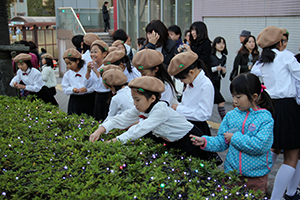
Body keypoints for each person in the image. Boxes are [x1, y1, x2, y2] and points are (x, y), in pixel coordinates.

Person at [89, 76, 218, 162]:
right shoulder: (142, 108)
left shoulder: (160, 109)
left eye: (137, 99)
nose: (134, 103)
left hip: (189, 140)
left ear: (152, 98)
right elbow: (122, 118)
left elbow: (139, 129)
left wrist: (114, 141)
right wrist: (100, 130)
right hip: (172, 141)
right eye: (133, 99)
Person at [190, 73, 274, 195]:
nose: (234, 101)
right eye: (233, 96)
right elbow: (221, 141)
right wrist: (205, 141)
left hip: (256, 177)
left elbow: (260, 145)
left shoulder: (265, 118)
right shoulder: (231, 116)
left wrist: (234, 137)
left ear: (254, 97)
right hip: (232, 175)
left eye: (238, 97)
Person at [250, 26, 300, 200]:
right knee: (292, 156)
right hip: (289, 107)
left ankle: (254, 180)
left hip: (272, 107)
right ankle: (278, 197)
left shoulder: (262, 61)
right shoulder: (286, 56)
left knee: (275, 146)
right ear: (280, 42)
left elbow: (253, 76)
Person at [168, 51, 222, 165]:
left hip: (198, 128)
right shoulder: (190, 83)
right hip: (187, 124)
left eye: (182, 79)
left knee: (198, 162)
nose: (182, 82)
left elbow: (204, 114)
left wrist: (179, 109)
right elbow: (188, 103)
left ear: (192, 72)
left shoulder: (205, 85)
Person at [61, 48, 95, 116]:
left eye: (70, 63)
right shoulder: (67, 75)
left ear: (77, 61)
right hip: (74, 100)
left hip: (88, 99)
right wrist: (72, 89)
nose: (68, 66)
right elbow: (65, 88)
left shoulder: (87, 71)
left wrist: (87, 90)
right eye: (67, 64)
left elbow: (94, 86)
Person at [84, 40, 111, 121]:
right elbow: (87, 84)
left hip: (106, 97)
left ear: (104, 54)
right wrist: (88, 71)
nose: (92, 54)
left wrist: (96, 72)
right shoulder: (93, 66)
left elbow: (106, 86)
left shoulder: (108, 66)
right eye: (91, 52)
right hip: (96, 96)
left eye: (95, 52)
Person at [210, 36, 227, 120]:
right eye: (219, 43)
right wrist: (215, 68)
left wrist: (224, 71)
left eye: (223, 43)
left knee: (211, 102)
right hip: (211, 81)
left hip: (218, 81)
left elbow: (223, 74)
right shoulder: (211, 56)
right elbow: (207, 69)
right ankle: (224, 120)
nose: (221, 45)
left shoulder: (224, 57)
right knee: (221, 101)